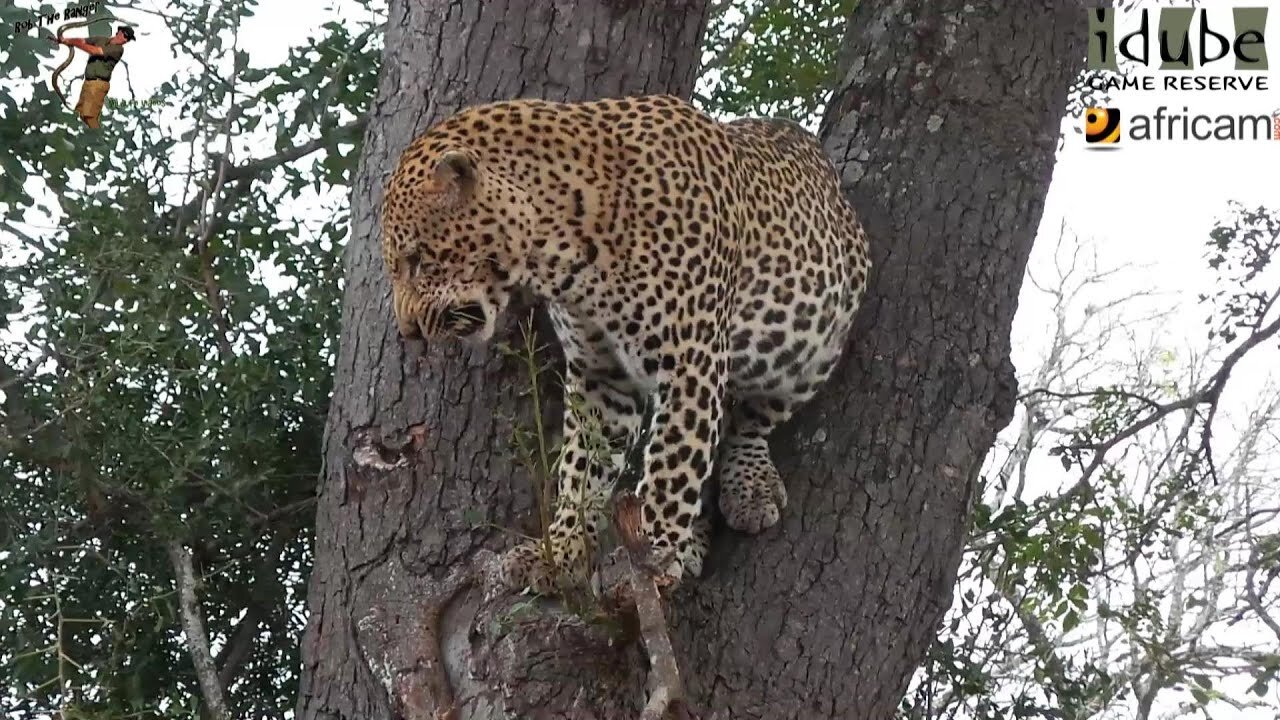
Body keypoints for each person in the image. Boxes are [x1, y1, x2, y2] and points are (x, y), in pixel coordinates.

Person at [56, 25, 135, 128]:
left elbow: (95, 51)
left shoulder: (118, 50)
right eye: (125, 35)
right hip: (88, 82)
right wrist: (65, 40)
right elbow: (83, 40)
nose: (125, 40)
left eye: (128, 39)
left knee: (89, 117)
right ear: (119, 32)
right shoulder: (101, 39)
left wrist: (72, 42)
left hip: (99, 84)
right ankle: (84, 139)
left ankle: (97, 139)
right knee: (79, 114)